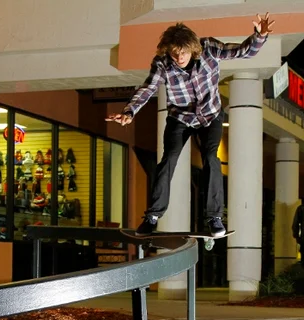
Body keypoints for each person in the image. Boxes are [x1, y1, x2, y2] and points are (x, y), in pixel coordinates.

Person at [106, 14, 276, 236]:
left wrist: (259, 36)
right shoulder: (162, 63)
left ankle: (214, 217)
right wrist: (130, 111)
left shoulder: (209, 49)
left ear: (192, 48)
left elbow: (241, 52)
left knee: (211, 158)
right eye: (174, 53)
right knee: (168, 159)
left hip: (210, 116)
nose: (179, 58)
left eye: (183, 53)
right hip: (180, 118)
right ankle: (152, 216)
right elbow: (148, 88)